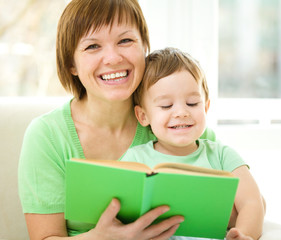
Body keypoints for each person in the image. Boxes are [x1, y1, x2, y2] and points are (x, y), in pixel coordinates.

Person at [18, 0, 218, 239]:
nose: (112, 58)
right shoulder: (47, 136)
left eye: (125, 40)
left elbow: (239, 205)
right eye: (93, 46)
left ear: (144, 46)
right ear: (71, 63)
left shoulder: (179, 121)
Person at [121, 47, 265, 240]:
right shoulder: (134, 159)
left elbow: (252, 202)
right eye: (166, 106)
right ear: (143, 115)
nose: (181, 112)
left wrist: (243, 234)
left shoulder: (222, 155)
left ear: (206, 106)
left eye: (192, 103)